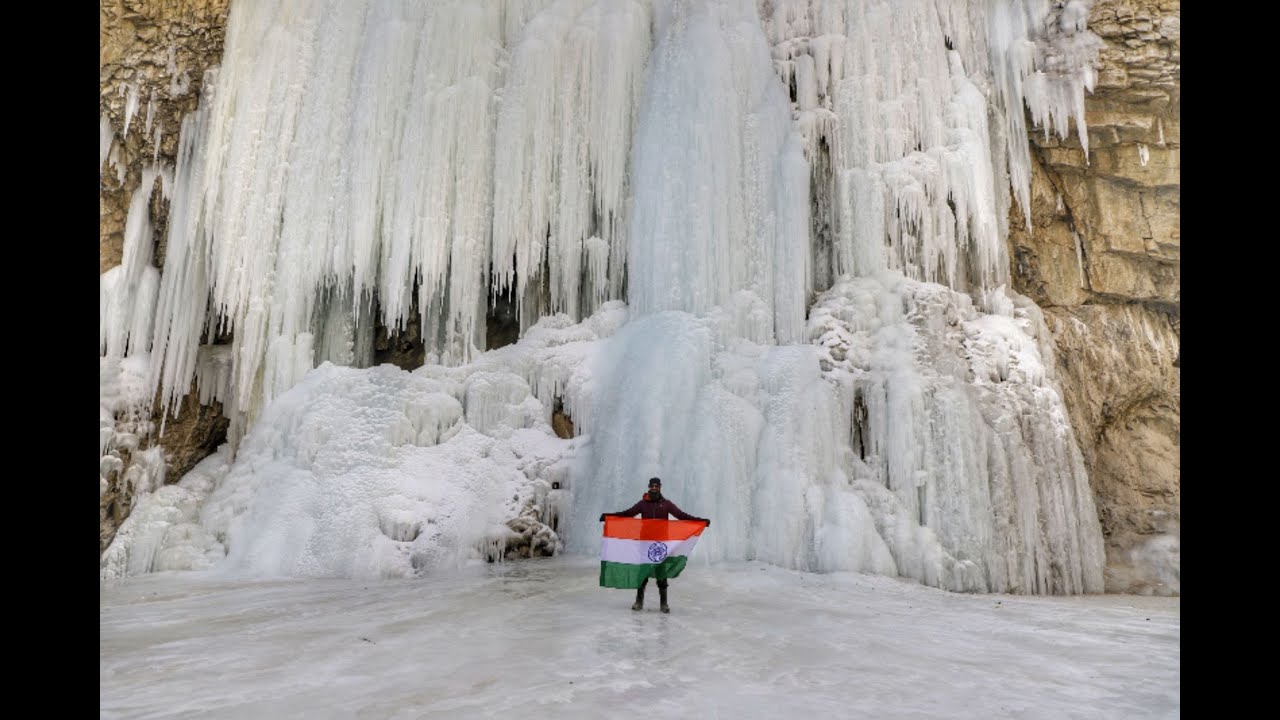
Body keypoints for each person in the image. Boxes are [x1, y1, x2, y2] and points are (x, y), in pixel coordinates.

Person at [599, 477, 710, 613]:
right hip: (645, 544)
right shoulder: (642, 504)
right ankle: (639, 602)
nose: (654, 489)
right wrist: (608, 516)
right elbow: (627, 514)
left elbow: (681, 515)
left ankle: (664, 604)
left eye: (656, 486)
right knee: (643, 573)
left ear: (660, 487)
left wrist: (700, 521)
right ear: (649, 487)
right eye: (652, 486)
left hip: (661, 545)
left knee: (661, 574)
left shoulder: (666, 504)